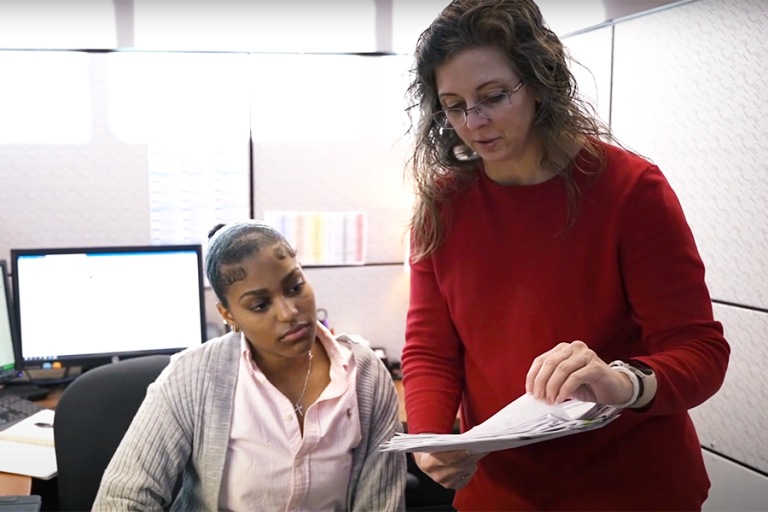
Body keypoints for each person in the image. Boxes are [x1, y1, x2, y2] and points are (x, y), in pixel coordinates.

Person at [399, 1, 730, 511]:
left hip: (633, 491)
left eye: (492, 96)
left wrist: (620, 382)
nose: (474, 121)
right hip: (499, 495)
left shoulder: (629, 190)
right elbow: (431, 351)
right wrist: (431, 442)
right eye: (454, 104)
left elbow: (701, 352)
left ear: (538, 81)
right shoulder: (444, 206)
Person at [92, 221, 406, 511]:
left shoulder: (365, 375)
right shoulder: (192, 377)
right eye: (260, 305)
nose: (288, 312)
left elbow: (382, 502)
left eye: (294, 287)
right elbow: (122, 498)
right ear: (229, 316)